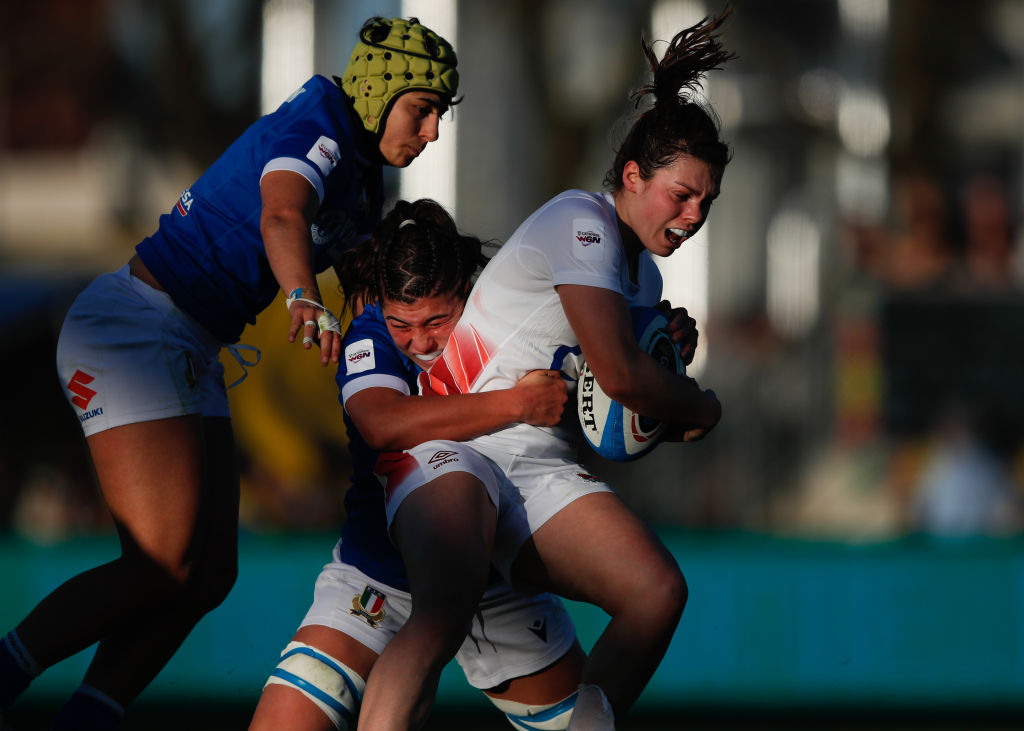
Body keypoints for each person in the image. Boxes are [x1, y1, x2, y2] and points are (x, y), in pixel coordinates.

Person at [0, 17, 459, 729]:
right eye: (422, 108)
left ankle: (84, 719)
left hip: (187, 341)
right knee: (161, 560)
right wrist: (303, 294)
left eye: (438, 115)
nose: (431, 131)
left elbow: (379, 288)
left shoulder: (365, 180)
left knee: (208, 573)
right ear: (377, 92)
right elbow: (282, 215)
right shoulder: (323, 119)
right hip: (132, 327)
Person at [358, 11, 731, 731]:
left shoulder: (643, 286)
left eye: (705, 202)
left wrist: (667, 377)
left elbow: (615, 423)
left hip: (535, 470)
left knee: (657, 591)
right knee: (441, 609)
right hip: (455, 446)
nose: (692, 214)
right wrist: (697, 401)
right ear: (631, 176)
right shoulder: (580, 222)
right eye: (680, 193)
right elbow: (621, 380)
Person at [248, 199, 586, 731]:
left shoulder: (511, 325)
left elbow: (606, 345)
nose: (421, 341)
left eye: (437, 320)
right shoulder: (370, 334)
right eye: (402, 322)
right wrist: (517, 404)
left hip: (494, 587)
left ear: (469, 295)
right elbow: (382, 422)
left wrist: (660, 341)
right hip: (379, 577)